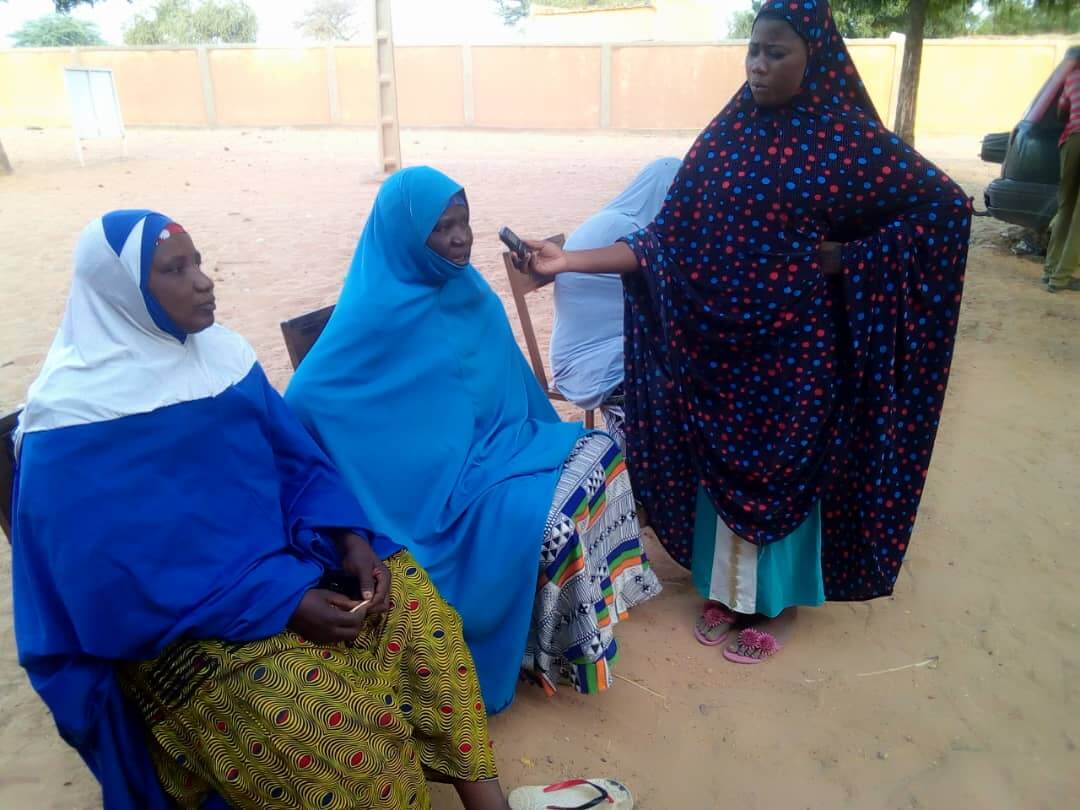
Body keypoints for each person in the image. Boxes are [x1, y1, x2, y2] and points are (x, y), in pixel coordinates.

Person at [11, 210, 512, 810]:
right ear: (122, 294)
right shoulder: (70, 424)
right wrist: (278, 602)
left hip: (277, 570)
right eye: (175, 269)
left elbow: (296, 464)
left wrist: (350, 538)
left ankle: (489, 803)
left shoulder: (220, 358)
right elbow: (108, 590)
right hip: (182, 632)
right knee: (327, 740)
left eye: (198, 261)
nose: (203, 281)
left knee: (411, 601)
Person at [521, 0, 971, 664]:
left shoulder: (842, 140)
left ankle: (778, 605)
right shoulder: (725, 138)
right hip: (722, 350)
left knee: (785, 473)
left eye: (776, 52)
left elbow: (945, 208)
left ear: (812, 55)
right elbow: (664, 244)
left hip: (798, 352)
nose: (758, 66)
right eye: (753, 50)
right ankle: (729, 593)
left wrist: (853, 257)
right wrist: (569, 261)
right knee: (725, 470)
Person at [284, 169, 661, 714]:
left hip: (499, 447)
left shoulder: (469, 292)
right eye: (442, 228)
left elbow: (503, 390)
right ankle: (541, 647)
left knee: (600, 449)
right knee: (544, 522)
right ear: (407, 239)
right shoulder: (373, 317)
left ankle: (576, 628)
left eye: (464, 222)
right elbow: (307, 399)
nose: (460, 238)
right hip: (434, 502)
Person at [550, 157, 682, 450]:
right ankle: (633, 463)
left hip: (609, 345)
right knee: (674, 382)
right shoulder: (623, 228)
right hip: (588, 362)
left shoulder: (629, 221)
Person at [1045, 57, 1079, 293]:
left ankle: (1050, 270)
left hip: (1071, 140)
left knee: (1065, 205)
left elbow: (1061, 111)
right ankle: (1062, 277)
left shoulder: (1073, 76)